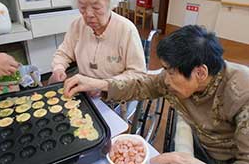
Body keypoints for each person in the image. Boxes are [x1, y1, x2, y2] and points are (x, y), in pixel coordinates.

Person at [63, 25, 249, 164]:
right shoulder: (179, 77)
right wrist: (101, 84)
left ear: (200, 73)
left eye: (170, 72)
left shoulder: (242, 95)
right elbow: (143, 84)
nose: (165, 80)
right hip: (200, 143)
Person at [48, 0, 146, 87]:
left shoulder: (126, 30)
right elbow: (63, 53)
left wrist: (102, 85)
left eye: (96, 7)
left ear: (110, 2)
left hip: (114, 96)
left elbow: (138, 75)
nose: (89, 14)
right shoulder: (77, 26)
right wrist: (58, 68)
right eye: (83, 7)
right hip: (83, 91)